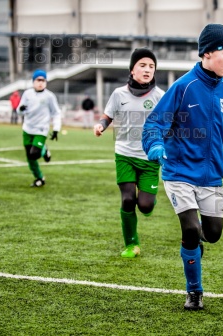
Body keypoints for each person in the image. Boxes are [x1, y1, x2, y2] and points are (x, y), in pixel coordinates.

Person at [142, 24, 223, 310]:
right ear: (208, 53)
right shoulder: (183, 87)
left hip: (211, 178)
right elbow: (155, 124)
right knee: (190, 229)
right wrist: (156, 146)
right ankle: (194, 292)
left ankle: (196, 248)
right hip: (179, 173)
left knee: (212, 233)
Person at [94, 48, 164, 258]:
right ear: (132, 70)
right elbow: (108, 115)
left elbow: (170, 122)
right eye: (142, 65)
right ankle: (131, 244)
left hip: (149, 158)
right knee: (127, 200)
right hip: (124, 154)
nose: (147, 69)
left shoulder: (161, 96)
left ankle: (149, 199)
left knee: (144, 206)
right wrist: (100, 125)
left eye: (151, 66)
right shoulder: (118, 94)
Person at [18, 70, 62, 187]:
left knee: (34, 154)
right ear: (33, 82)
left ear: (46, 82)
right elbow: (19, 110)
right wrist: (20, 109)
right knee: (30, 158)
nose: (40, 83)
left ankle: (44, 149)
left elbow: (56, 113)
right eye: (38, 80)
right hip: (27, 129)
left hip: (41, 130)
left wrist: (56, 129)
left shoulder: (49, 96)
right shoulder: (27, 94)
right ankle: (40, 178)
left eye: (43, 80)